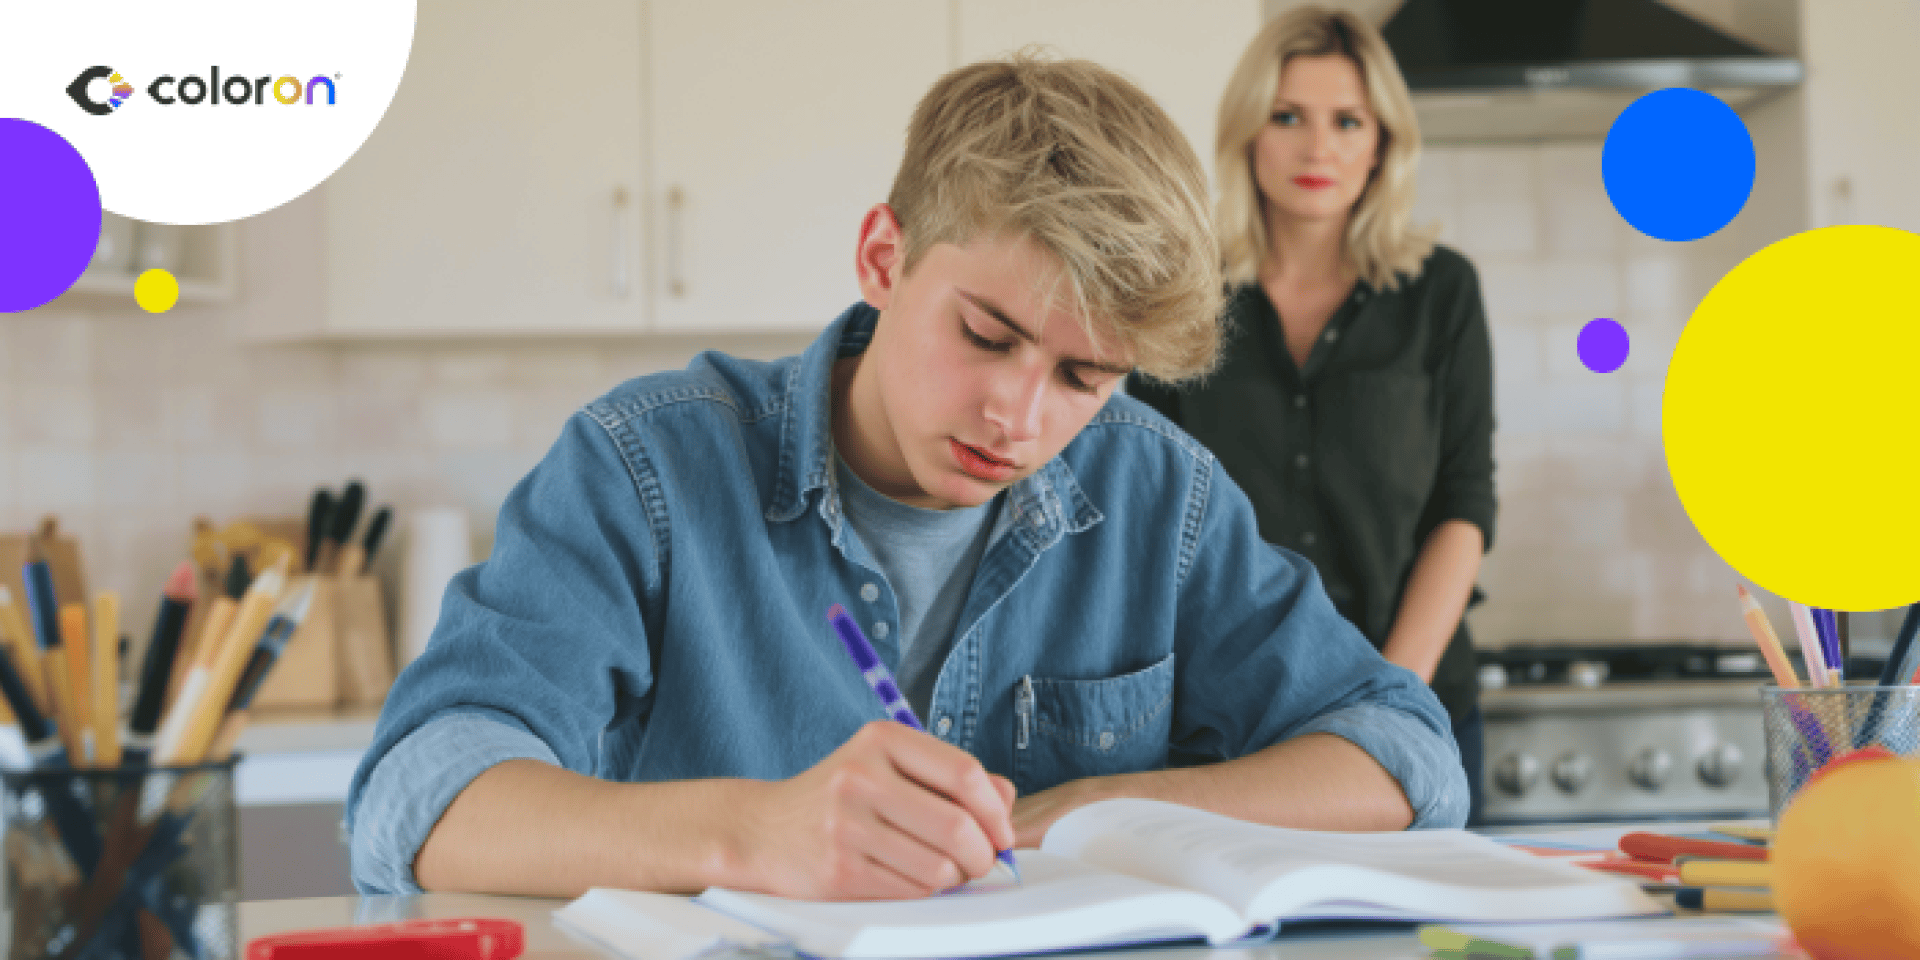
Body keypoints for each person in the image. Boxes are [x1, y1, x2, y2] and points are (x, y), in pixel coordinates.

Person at [346, 50, 1468, 901]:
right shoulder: (648, 470)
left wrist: (1084, 814)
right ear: (885, 258)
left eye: (1085, 377)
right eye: (985, 335)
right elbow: (420, 797)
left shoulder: (1159, 497)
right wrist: (752, 836)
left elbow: (1408, 758)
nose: (1017, 417)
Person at [1129, 7, 1497, 822]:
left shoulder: (1443, 294)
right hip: (1232, 723)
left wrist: (1391, 697)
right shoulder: (1182, 300)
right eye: (1288, 115)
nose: (1317, 146)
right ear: (1249, 132)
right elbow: (1145, 501)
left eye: (1347, 120)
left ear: (1382, 142)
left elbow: (1463, 506)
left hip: (1421, 702)